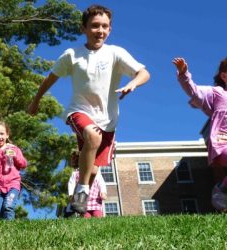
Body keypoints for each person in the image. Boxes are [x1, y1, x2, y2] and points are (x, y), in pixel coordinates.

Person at [28, 4, 150, 213]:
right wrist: (36, 100)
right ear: (83, 28)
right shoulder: (72, 55)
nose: (100, 31)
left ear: (110, 29)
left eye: (104, 26)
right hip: (79, 111)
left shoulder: (116, 53)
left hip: (108, 120)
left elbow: (144, 73)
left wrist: (133, 83)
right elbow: (51, 78)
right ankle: (82, 193)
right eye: (94, 26)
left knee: (92, 170)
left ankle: (72, 206)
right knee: (93, 137)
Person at [173, 57, 227, 211]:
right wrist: (184, 74)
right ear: (224, 76)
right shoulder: (218, 93)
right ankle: (221, 189)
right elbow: (193, 90)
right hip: (222, 142)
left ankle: (223, 189)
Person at [65, 151, 107, 218]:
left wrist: (103, 191)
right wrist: (71, 195)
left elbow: (101, 182)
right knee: (85, 216)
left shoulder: (95, 172)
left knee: (97, 215)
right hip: (82, 200)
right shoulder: (75, 173)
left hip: (95, 200)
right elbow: (71, 184)